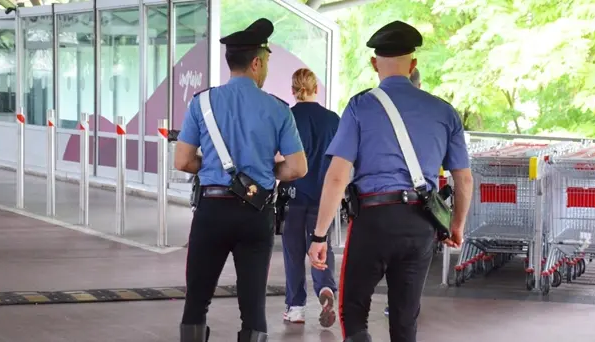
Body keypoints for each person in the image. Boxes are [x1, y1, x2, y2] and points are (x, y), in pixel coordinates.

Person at [307, 20, 473, 342]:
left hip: (374, 219)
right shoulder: (444, 111)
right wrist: (456, 225)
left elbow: (338, 176)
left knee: (353, 310)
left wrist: (319, 235)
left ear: (373, 64)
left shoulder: (360, 106)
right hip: (422, 224)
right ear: (413, 65)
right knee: (405, 315)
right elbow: (463, 179)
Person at [175, 18, 308, 342]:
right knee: (253, 305)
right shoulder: (278, 109)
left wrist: (214, 169)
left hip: (211, 210)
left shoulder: (201, 103)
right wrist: (262, 173)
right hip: (255, 211)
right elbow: (297, 168)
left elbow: (182, 161)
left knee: (196, 301)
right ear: (256, 62)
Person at [281, 68, 339, 327]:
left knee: (293, 252)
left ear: (293, 91)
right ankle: (326, 290)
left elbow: (278, 156)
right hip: (324, 196)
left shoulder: (287, 117)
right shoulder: (333, 120)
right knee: (320, 244)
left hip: (293, 195)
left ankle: (295, 308)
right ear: (317, 88)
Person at [385, 66, 421, 317]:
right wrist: (457, 225)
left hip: (380, 205)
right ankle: (403, 306)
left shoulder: (368, 106)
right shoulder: (437, 111)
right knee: (411, 274)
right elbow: (463, 177)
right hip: (420, 209)